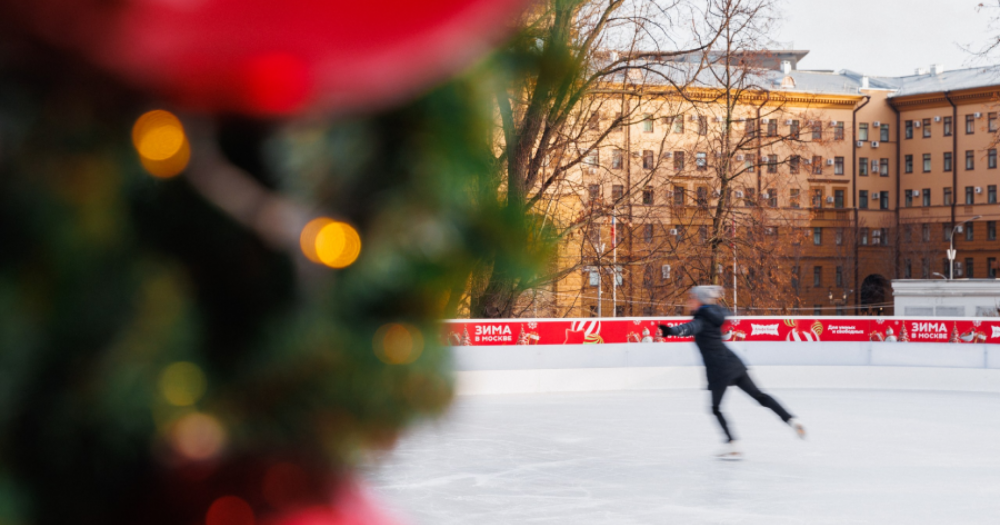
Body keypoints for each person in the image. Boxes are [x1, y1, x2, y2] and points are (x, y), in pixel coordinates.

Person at [659, 286, 805, 460]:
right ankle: (792, 420)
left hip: (719, 370)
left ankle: (732, 444)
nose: (689, 300)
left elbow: (691, 327)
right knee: (760, 396)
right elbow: (718, 314)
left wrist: (670, 331)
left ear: (699, 300)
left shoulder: (702, 318)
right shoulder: (715, 313)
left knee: (715, 408)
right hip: (735, 364)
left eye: (692, 297)